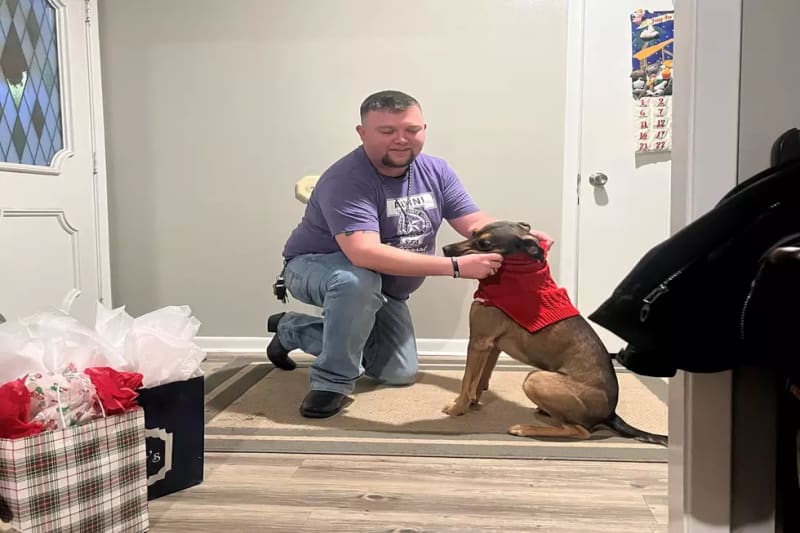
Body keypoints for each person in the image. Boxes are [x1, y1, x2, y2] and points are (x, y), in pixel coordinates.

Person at [267, 90, 552, 418]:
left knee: (398, 372)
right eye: (387, 131)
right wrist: (455, 266)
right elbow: (363, 253)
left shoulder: (436, 170)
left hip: (384, 287)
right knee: (356, 281)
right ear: (362, 133)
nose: (401, 139)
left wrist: (521, 236)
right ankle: (331, 383)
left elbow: (472, 222)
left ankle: (291, 329)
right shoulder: (345, 179)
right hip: (314, 267)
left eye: (411, 130)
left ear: (424, 129)